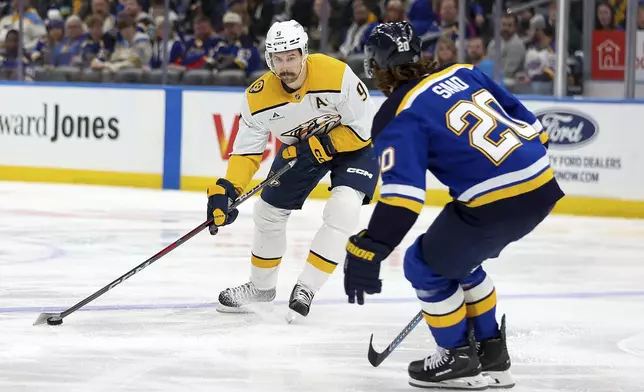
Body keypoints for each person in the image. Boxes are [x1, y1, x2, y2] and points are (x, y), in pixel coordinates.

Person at [343, 22, 564, 389]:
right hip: (542, 185)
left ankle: (457, 357)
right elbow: (532, 127)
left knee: (422, 264)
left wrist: (372, 246)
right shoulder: (463, 73)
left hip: (496, 201)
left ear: (377, 67)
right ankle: (493, 355)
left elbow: (403, 200)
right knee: (458, 260)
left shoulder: (398, 114)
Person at [207, 20, 378, 321]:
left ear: (304, 53)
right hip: (304, 151)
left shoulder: (336, 75)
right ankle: (261, 289)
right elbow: (247, 151)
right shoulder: (257, 98)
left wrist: (327, 143)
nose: (285, 66)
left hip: (354, 148)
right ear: (269, 59)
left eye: (291, 57)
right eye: (278, 58)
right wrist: (229, 188)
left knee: (344, 209)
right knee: (267, 212)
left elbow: (365, 126)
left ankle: (307, 288)